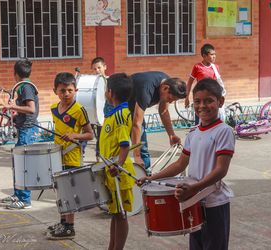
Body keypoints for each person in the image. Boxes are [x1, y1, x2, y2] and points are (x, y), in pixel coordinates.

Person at [138, 78, 235, 250]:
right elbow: (180, 164)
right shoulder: (193, 133)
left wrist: (195, 187)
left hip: (215, 203)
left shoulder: (224, 131)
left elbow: (221, 170)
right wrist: (151, 178)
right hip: (194, 202)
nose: (202, 106)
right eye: (197, 101)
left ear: (220, 102)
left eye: (209, 101)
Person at [45, 72, 94, 240]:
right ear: (55, 91)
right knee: (60, 192)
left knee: (70, 193)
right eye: (62, 90)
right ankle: (62, 222)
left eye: (70, 90)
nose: (66, 94)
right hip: (57, 156)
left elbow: (90, 134)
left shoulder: (79, 110)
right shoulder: (53, 109)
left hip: (72, 156)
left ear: (76, 90)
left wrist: (75, 136)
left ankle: (70, 227)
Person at [99, 73, 135, 250]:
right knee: (115, 214)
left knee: (121, 215)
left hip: (118, 174)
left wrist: (119, 166)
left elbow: (125, 144)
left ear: (110, 92)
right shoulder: (113, 113)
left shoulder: (121, 115)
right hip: (111, 174)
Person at [0, 58, 39, 209]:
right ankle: (18, 194)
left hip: (28, 131)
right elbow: (25, 111)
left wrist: (12, 106)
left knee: (24, 165)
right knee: (18, 164)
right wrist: (14, 116)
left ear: (15, 74)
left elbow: (31, 109)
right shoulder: (23, 86)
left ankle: (25, 200)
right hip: (24, 128)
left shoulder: (26, 87)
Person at [128, 71, 186, 171]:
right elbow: (136, 124)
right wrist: (136, 156)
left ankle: (145, 177)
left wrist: (171, 135)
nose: (170, 102)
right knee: (119, 145)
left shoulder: (168, 83)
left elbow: (163, 111)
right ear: (165, 88)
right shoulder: (146, 89)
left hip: (133, 107)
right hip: (118, 105)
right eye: (170, 98)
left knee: (142, 148)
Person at [185, 43, 226, 124]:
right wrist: (186, 97)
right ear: (204, 55)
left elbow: (218, 83)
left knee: (213, 119)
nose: (214, 56)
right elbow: (189, 83)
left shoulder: (215, 67)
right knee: (199, 119)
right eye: (212, 54)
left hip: (211, 98)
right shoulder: (197, 67)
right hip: (200, 97)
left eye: (215, 54)